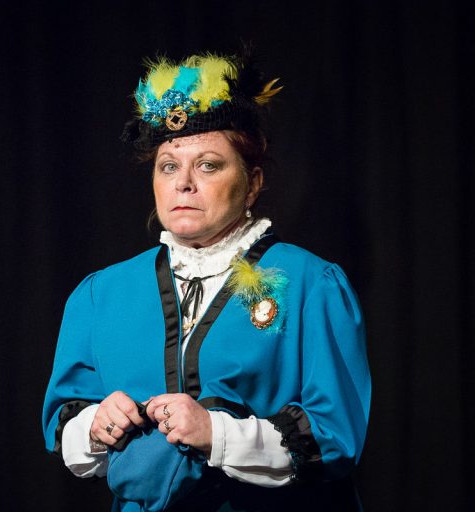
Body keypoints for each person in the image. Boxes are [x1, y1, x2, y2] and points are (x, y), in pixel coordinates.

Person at [41, 50, 371, 511]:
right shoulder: (102, 294)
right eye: (169, 166)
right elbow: (64, 421)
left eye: (209, 165)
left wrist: (216, 433)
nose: (184, 183)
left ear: (252, 183)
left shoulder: (311, 284)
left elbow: (336, 436)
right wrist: (98, 424)